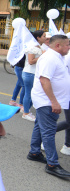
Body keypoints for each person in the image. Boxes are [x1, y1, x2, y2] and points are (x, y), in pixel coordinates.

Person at [27, 35, 70, 179]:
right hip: (47, 101)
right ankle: (52, 164)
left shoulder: (56, 57)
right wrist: (54, 102)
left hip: (48, 100)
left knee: (40, 126)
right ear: (58, 45)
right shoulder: (50, 58)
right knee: (48, 132)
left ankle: (34, 152)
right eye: (67, 45)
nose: (69, 47)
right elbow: (44, 80)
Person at [22, 30, 46, 122]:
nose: (45, 38)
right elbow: (31, 61)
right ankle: (26, 113)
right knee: (29, 93)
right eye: (44, 36)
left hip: (34, 73)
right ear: (38, 38)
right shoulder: (32, 47)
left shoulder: (39, 46)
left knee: (31, 93)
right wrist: (42, 56)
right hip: (30, 73)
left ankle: (26, 109)